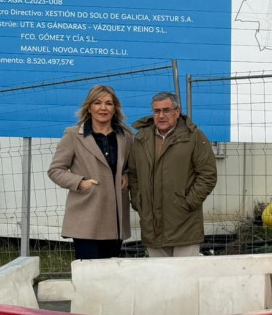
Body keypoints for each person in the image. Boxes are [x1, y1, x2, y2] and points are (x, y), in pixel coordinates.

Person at [48, 85, 134, 259]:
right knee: (87, 275)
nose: (103, 108)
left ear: (115, 108)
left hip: (114, 220)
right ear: (89, 107)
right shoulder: (73, 135)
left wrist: (127, 176)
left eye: (109, 103)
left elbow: (132, 166)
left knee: (109, 275)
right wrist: (80, 182)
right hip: (85, 218)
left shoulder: (126, 136)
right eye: (97, 103)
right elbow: (55, 170)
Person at [129, 92, 217, 257]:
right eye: (157, 111)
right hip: (151, 226)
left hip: (184, 225)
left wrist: (188, 203)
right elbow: (133, 175)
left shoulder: (194, 137)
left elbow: (208, 174)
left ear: (177, 112)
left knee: (185, 279)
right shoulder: (141, 139)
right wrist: (138, 201)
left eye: (166, 110)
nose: (161, 115)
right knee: (160, 280)